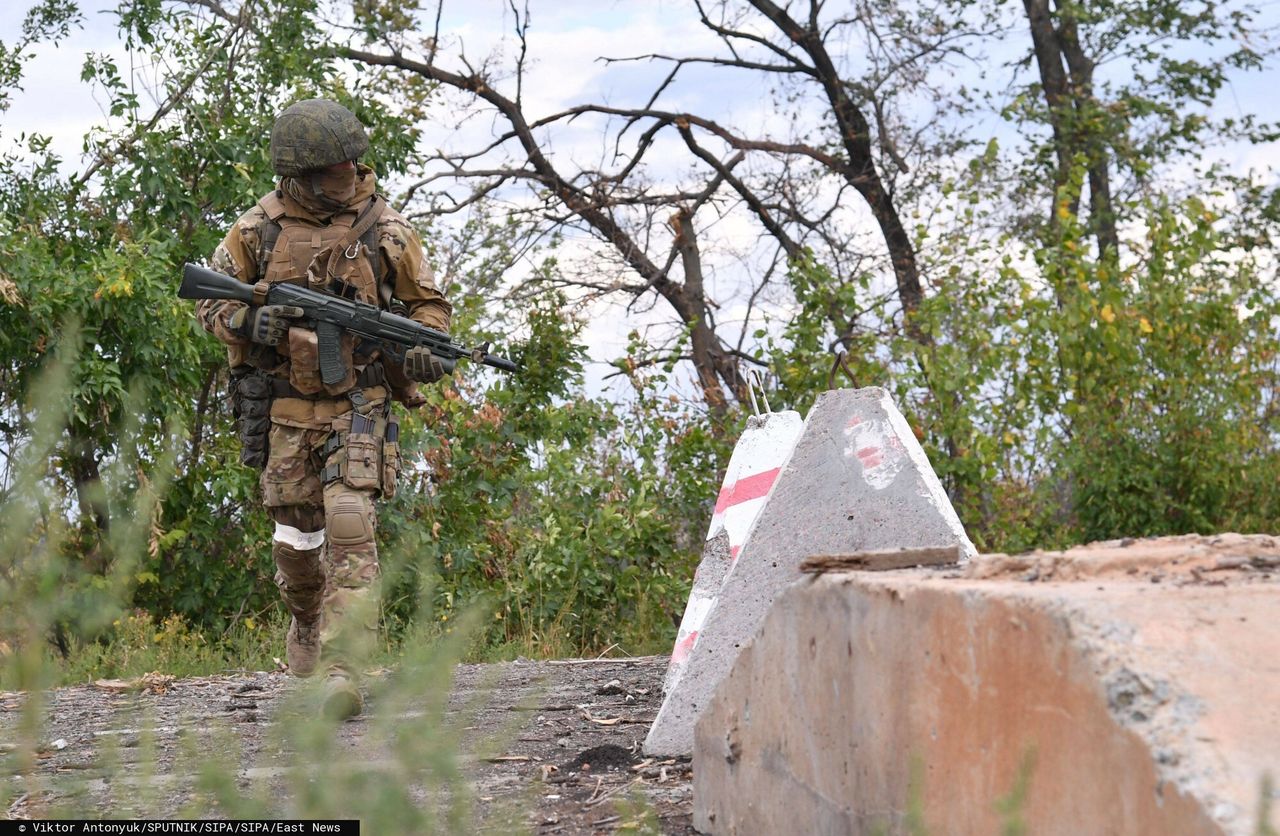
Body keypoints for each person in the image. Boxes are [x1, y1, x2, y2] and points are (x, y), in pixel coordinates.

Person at [197, 98, 452, 718]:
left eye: (351, 166)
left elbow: (431, 312)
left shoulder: (387, 231)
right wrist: (249, 320)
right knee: (295, 538)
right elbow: (208, 304)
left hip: (358, 403)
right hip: (285, 408)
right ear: (299, 175)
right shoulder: (257, 230)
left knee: (349, 523)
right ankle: (306, 621)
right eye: (335, 170)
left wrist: (422, 351)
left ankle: (344, 670)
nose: (349, 177)